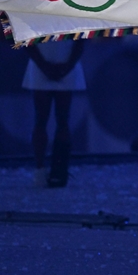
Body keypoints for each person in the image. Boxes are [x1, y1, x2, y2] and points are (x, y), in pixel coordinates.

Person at [22, 39, 85, 188]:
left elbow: (81, 41)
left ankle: (59, 169)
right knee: (46, 118)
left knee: (59, 119)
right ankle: (41, 169)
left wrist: (65, 67)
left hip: (60, 66)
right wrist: (45, 66)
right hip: (47, 66)